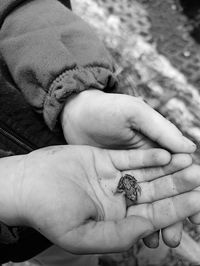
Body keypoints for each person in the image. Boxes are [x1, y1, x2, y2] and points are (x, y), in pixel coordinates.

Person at [0, 0, 199, 265]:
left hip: (56, 138)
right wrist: (12, 188)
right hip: (13, 226)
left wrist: (73, 93)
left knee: (77, 247)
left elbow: (19, 5)